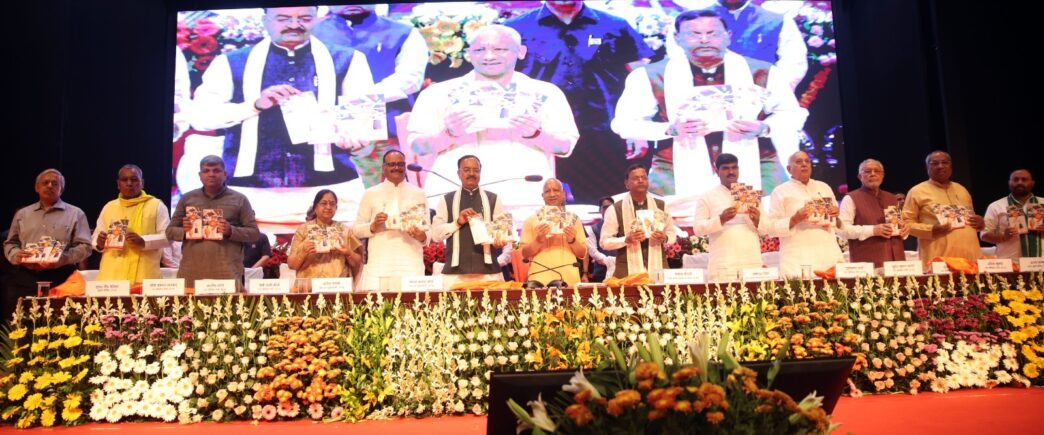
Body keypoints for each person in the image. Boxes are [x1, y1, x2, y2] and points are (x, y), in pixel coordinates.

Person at [189, 7, 375, 224]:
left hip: (333, 188)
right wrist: (255, 105)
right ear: (265, 20)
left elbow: (364, 124)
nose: (294, 25)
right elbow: (201, 118)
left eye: (304, 18)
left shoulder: (349, 59)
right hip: (251, 190)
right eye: (283, 18)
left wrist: (355, 137)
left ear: (317, 20)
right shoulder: (230, 62)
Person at [611, 9, 807, 197]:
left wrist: (764, 127)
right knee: (681, 218)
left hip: (757, 162)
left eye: (713, 33)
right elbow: (624, 124)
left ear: (728, 36)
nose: (704, 40)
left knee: (763, 216)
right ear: (677, 38)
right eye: (694, 34)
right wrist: (669, 129)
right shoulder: (650, 75)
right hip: (674, 168)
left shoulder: (762, 71)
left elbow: (792, 114)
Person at [409, 25, 578, 213]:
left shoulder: (546, 92)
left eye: (500, 49)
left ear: (521, 52)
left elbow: (564, 147)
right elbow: (418, 147)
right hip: (455, 196)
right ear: (468, 53)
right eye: (479, 50)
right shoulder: (437, 93)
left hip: (525, 195)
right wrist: (448, 134)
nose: (488, 56)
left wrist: (536, 134)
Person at [505, 1, 653, 204]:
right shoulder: (515, 29)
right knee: (540, 210)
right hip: (541, 136)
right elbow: (500, 80)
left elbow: (641, 80)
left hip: (605, 135)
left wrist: (637, 129)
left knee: (610, 206)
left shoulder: (615, 25)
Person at [311, 4, 428, 187]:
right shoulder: (311, 33)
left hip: (387, 133)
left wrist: (358, 97)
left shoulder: (404, 33)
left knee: (389, 193)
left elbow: (410, 79)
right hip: (323, 136)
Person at [3, 169, 91, 320]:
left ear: (61, 189)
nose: (50, 186)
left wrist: (63, 258)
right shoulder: (22, 214)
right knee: (23, 324)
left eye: (55, 183)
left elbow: (86, 247)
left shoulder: (76, 214)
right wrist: (16, 255)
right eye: (45, 183)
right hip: (26, 277)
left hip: (63, 278)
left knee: (62, 324)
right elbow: (10, 243)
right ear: (37, 187)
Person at [166, 156, 260, 290]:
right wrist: (185, 231)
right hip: (191, 273)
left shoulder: (240, 199)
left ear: (225, 174)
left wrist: (231, 231)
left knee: (229, 304)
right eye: (206, 171)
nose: (211, 174)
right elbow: (170, 232)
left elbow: (254, 233)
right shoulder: (187, 199)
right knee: (189, 304)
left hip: (227, 274)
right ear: (200, 175)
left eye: (216, 170)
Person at [353, 150, 429, 290]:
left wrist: (421, 235)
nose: (396, 167)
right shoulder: (371, 194)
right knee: (377, 303)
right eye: (392, 164)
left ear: (405, 166)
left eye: (400, 164)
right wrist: (373, 226)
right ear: (383, 167)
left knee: (413, 302)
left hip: (410, 264)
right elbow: (356, 230)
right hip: (380, 265)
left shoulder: (418, 193)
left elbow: (428, 233)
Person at [431, 155, 507, 289]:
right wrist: (457, 222)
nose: (472, 174)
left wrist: (500, 240)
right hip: (455, 273)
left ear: (480, 173)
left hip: (488, 272)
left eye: (476, 170)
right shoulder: (446, 200)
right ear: (459, 173)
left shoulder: (494, 199)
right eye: (466, 170)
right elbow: (436, 235)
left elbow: (503, 232)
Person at [902, 151, 985, 268]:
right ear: (927, 167)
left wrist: (980, 223)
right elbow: (906, 223)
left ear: (951, 166)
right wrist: (932, 229)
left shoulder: (962, 190)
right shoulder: (917, 191)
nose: (940, 166)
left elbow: (971, 219)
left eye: (945, 162)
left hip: (971, 258)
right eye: (935, 163)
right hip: (939, 261)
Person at [766, 151, 843, 278]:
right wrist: (795, 219)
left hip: (828, 255)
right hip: (797, 259)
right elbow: (771, 228)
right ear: (789, 169)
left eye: (807, 161)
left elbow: (839, 224)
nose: (804, 164)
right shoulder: (780, 191)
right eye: (799, 162)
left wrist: (836, 216)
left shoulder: (824, 187)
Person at [93, 165, 170, 284]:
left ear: (142, 183)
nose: (129, 183)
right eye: (125, 180)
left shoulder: (156, 205)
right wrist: (99, 243)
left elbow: (168, 237)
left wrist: (143, 241)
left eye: (134, 180)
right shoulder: (109, 207)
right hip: (111, 277)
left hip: (144, 277)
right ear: (118, 184)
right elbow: (96, 237)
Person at [693, 153, 764, 281]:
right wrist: (721, 219)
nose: (731, 172)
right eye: (726, 168)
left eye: (734, 167)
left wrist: (758, 221)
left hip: (751, 261)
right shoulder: (707, 197)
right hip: (723, 262)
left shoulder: (750, 195)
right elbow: (698, 229)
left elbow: (766, 228)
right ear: (717, 171)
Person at [709, 0, 808, 90]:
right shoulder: (700, 17)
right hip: (707, 96)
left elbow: (794, 63)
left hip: (762, 96)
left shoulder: (778, 20)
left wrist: (772, 93)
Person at [600, 165, 678, 279]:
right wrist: (626, 239)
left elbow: (672, 234)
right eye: (635, 178)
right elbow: (604, 242)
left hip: (658, 266)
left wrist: (664, 237)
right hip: (626, 271)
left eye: (644, 177)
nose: (641, 180)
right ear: (626, 184)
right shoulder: (615, 209)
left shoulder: (661, 206)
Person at [837, 159, 909, 268]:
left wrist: (904, 230)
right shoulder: (850, 198)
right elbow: (843, 230)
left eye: (877, 171)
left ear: (882, 175)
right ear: (860, 176)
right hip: (868, 264)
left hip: (897, 263)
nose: (873, 174)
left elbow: (898, 225)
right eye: (867, 171)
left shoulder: (892, 198)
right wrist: (872, 230)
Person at [288, 189, 363, 289]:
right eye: (324, 203)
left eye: (332, 204)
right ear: (315, 207)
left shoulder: (345, 230)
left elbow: (357, 263)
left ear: (336, 208)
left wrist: (348, 252)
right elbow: (291, 265)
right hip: (308, 289)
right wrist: (303, 253)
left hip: (337, 287)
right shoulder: (303, 230)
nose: (328, 207)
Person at [520, 179, 587, 287]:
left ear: (563, 194)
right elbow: (524, 254)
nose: (552, 194)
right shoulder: (531, 220)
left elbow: (582, 253)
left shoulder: (574, 219)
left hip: (569, 277)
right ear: (542, 195)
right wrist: (538, 240)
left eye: (556, 190)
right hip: (539, 278)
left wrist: (572, 240)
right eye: (547, 191)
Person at [982, 169, 1044, 259]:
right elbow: (984, 235)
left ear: (1032, 183)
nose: (1019, 182)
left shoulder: (1042, 202)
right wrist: (1003, 237)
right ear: (1009, 182)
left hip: (1041, 262)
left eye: (1024, 179)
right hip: (1010, 263)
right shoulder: (996, 206)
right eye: (1015, 179)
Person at [585, 196, 616, 282]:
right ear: (600, 210)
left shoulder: (622, 226)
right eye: (605, 207)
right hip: (601, 273)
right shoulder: (593, 228)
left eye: (611, 207)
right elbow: (592, 251)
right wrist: (609, 261)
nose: (608, 210)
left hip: (621, 270)